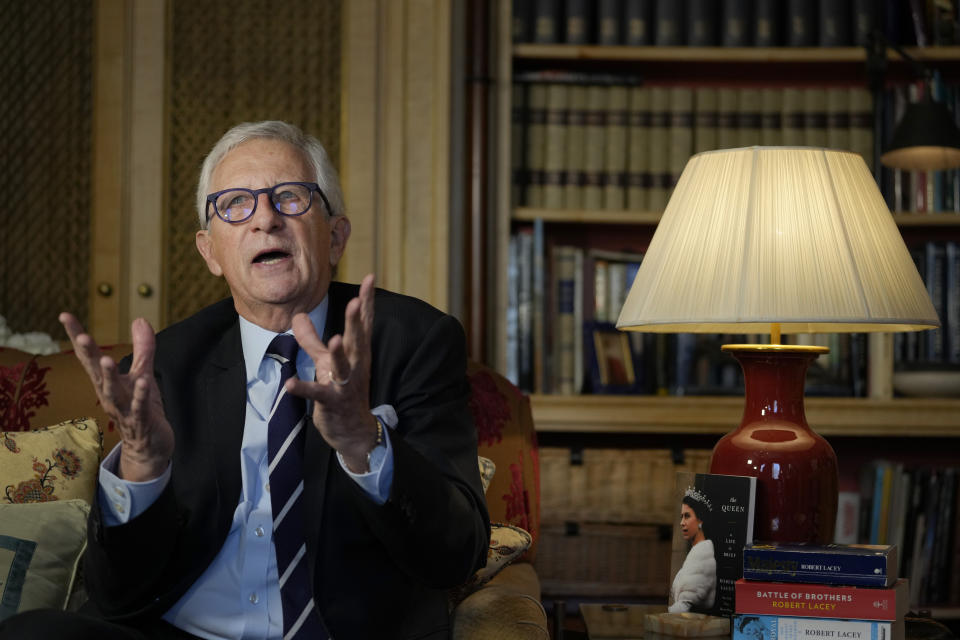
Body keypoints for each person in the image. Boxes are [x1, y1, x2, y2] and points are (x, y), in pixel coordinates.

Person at [0, 120, 490, 639]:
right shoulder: (166, 368)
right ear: (210, 251)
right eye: (236, 204)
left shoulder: (413, 342)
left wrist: (363, 440)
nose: (265, 220)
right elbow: (118, 595)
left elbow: (456, 556)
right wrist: (142, 468)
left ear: (336, 236)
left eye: (291, 197)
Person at [667, 486, 716, 613]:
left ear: (700, 520)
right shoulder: (695, 553)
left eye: (687, 516)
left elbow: (684, 606)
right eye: (681, 516)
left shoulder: (703, 557)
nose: (681, 523)